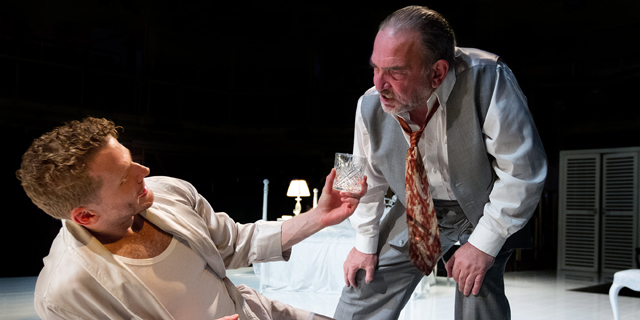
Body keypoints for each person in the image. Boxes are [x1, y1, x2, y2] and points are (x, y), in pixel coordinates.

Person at [16, 117, 367, 320]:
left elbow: (233, 244)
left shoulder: (167, 192)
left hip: (254, 311)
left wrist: (318, 217)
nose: (145, 171)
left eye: (132, 159)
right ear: (86, 214)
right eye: (126, 176)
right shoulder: (65, 295)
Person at [334, 6, 547, 320]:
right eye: (375, 68)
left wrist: (484, 244)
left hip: (483, 205)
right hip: (416, 208)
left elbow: (525, 171)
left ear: (437, 72)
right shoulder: (368, 104)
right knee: (361, 287)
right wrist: (363, 242)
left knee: (477, 290)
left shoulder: (490, 77)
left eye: (395, 71)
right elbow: (357, 177)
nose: (379, 84)